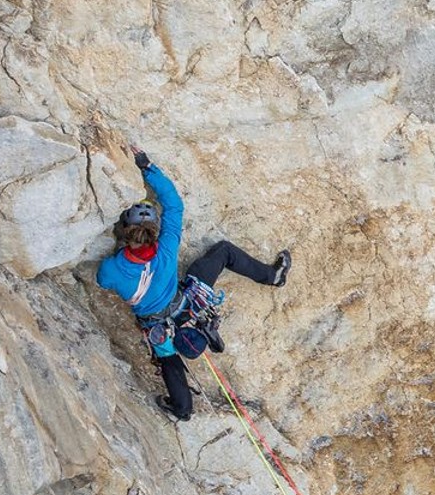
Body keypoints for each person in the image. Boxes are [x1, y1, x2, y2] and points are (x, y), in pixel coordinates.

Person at [96, 148, 290, 420]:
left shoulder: (111, 268)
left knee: (168, 359)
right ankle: (273, 276)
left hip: (156, 324)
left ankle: (183, 409)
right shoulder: (167, 245)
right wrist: (147, 165)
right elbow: (174, 204)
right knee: (223, 252)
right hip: (186, 302)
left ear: (124, 232)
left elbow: (103, 283)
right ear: (155, 231)